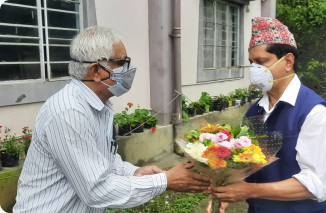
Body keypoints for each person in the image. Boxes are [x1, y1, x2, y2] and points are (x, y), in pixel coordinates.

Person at [13, 26, 211, 213]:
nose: (129, 69)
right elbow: (96, 190)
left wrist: (134, 172)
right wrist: (166, 180)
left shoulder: (101, 104)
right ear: (96, 71)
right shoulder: (69, 111)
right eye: (122, 63)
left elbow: (104, 159)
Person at [207, 17, 326, 213]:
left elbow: (317, 183)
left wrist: (249, 190)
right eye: (252, 63)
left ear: (288, 61)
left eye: (261, 62)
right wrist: (229, 191)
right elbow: (249, 163)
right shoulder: (255, 111)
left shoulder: (314, 113)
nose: (254, 70)